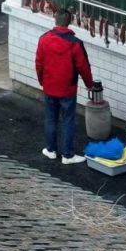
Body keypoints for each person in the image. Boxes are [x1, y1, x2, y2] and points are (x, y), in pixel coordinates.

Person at [35, 9, 94, 164]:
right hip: (68, 88)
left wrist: (42, 81)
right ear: (70, 22)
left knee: (50, 117)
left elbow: (39, 63)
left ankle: (50, 150)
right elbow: (84, 67)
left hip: (49, 86)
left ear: (55, 20)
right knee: (68, 120)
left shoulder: (43, 39)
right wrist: (89, 85)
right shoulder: (75, 43)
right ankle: (68, 155)